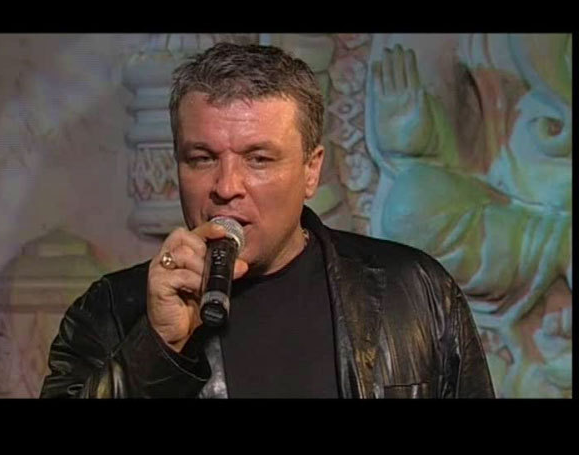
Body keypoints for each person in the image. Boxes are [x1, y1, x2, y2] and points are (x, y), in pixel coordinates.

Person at [40, 42, 495, 398]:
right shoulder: (110, 311)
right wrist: (157, 348)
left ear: (311, 170)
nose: (226, 186)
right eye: (201, 158)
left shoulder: (416, 290)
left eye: (258, 158)